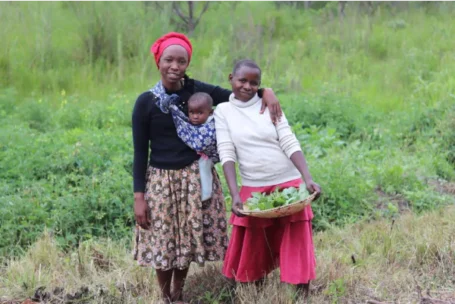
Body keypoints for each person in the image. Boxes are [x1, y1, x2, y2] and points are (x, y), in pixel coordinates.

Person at [132, 33, 283, 304]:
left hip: (194, 178)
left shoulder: (197, 92)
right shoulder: (146, 102)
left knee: (187, 240)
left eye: (182, 60)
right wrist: (139, 197)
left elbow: (238, 95)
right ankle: (166, 296)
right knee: (164, 241)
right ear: (158, 61)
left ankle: (179, 293)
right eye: (169, 60)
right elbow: (140, 152)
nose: (175, 66)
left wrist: (265, 91)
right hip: (161, 183)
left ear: (188, 63)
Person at [214, 59, 321, 299]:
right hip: (254, 186)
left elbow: (288, 140)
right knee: (254, 242)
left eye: (255, 83)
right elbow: (227, 153)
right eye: (242, 80)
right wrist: (235, 194)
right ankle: (252, 292)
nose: (248, 87)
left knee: (296, 239)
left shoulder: (269, 104)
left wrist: (307, 178)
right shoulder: (223, 111)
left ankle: (301, 294)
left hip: (288, 184)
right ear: (231, 78)